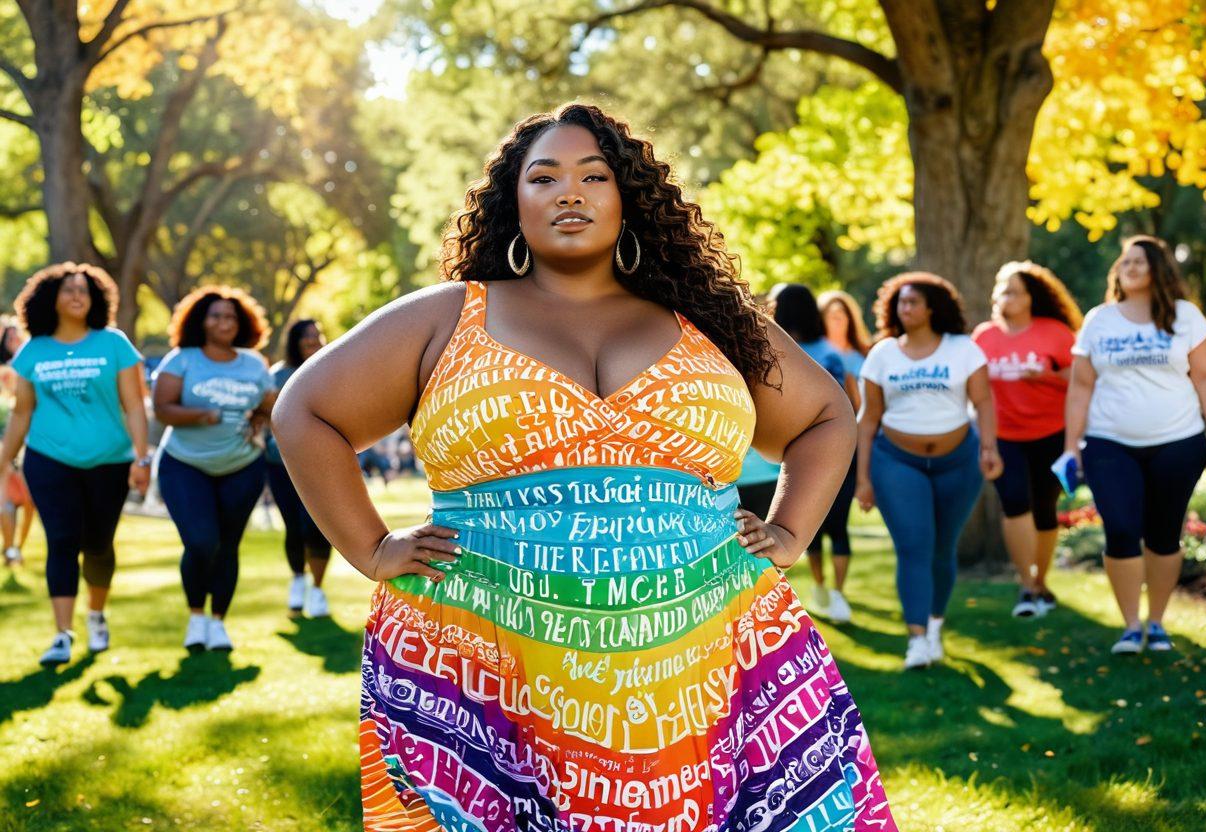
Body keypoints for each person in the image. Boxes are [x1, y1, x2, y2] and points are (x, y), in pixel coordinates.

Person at [273, 104, 896, 830]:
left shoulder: (709, 322)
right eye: (544, 177)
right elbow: (304, 413)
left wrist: (790, 533)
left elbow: (826, 418)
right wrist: (374, 548)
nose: (570, 192)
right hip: (487, 660)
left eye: (593, 176)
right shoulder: (447, 317)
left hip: (701, 658)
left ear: (628, 198)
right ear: (514, 202)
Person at [1062, 236, 1206, 654]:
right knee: (1122, 529)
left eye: (1140, 262)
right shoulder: (1099, 320)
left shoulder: (1185, 316)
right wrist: (1071, 445)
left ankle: (1158, 622)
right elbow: (1080, 386)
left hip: (1179, 441)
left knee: (1164, 534)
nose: (1129, 267)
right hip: (1109, 441)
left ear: (1158, 269)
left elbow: (1205, 376)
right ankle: (1131, 625)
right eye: (1124, 261)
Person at [0, 263, 149, 666]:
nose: (77, 295)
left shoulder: (113, 343)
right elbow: (21, 412)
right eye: (68, 290)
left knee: (98, 543)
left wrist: (142, 455)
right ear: (51, 299)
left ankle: (96, 616)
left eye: (84, 289)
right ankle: (62, 635)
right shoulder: (34, 351)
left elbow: (134, 404)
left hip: (109, 462)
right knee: (62, 540)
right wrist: (3, 461)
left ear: (96, 297)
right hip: (49, 460)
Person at [856, 272, 1002, 669]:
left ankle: (935, 625)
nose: (905, 309)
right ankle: (916, 638)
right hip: (896, 461)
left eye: (913, 302)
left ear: (933, 308)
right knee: (914, 545)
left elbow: (983, 402)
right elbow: (867, 419)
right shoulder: (883, 354)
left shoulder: (962, 349)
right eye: (900, 302)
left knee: (942, 547)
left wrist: (989, 447)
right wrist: (863, 477)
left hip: (959, 461)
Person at [152, 285, 276, 652]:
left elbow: (272, 405)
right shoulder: (182, 359)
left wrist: (260, 417)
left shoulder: (253, 363)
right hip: (185, 464)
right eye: (216, 315)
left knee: (228, 545)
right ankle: (196, 617)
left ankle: (218, 622)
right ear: (200, 321)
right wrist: (199, 415)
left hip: (242, 465)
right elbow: (162, 408)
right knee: (201, 542)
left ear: (243, 323)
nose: (225, 322)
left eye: (231, 316)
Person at [974, 262, 1082, 618]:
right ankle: (1027, 584)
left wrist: (1047, 376)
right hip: (1005, 436)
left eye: (1015, 291)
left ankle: (1042, 580)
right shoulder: (984, 337)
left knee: (1045, 509)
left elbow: (1080, 381)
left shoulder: (1055, 332)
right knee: (1015, 503)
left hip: (1051, 433)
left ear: (1031, 297)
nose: (1007, 297)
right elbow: (974, 389)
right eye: (1002, 290)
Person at [771, 282, 858, 623]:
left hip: (788, 456)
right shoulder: (830, 354)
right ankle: (836, 591)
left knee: (805, 528)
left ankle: (824, 587)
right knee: (838, 525)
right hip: (838, 451)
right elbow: (846, 405)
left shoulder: (776, 349)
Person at [266, 319, 333, 617]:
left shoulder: (332, 368)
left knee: (318, 526)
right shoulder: (277, 375)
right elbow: (265, 414)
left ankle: (317, 589)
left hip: (321, 464)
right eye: (306, 336)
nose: (312, 340)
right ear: (294, 341)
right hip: (279, 464)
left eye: (316, 335)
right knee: (293, 527)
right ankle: (298, 579)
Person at [0, 319, 36, 567]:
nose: (14, 340)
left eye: (17, 335)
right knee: (6, 500)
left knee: (30, 501)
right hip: (4, 444)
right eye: (8, 337)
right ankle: (10, 549)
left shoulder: (29, 366)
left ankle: (16, 548)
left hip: (29, 444)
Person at [820, 288, 873, 405]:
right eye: (830, 313)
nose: (837, 316)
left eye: (841, 311)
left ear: (850, 317)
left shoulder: (867, 353)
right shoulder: (814, 356)